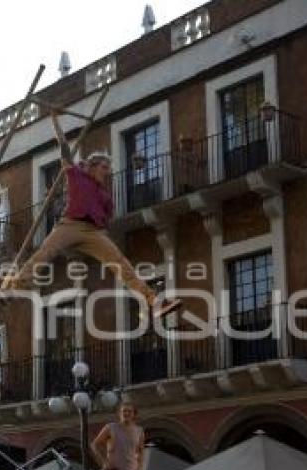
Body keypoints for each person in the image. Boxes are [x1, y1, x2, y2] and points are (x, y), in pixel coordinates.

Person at [10, 111, 182, 319]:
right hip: (69, 225)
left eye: (108, 168)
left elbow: (108, 216)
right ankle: (15, 286)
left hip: (93, 232)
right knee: (45, 252)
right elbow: (64, 148)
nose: (107, 171)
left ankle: (153, 302)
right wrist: (55, 123)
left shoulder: (105, 194)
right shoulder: (76, 175)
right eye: (104, 167)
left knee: (121, 264)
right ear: (91, 167)